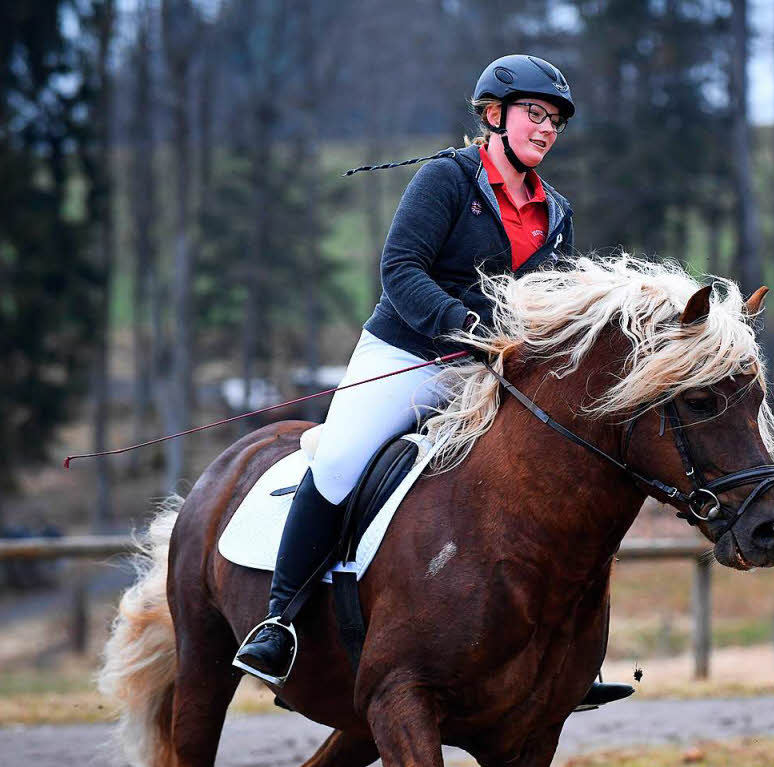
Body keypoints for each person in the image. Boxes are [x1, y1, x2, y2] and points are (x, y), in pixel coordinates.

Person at [234, 54, 633, 710]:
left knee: (560, 473)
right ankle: (278, 619)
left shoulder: (556, 212)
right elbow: (401, 269)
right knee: (337, 458)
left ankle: (568, 654)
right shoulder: (446, 178)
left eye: (555, 120)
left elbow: (553, 305)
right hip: (407, 354)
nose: (547, 128)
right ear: (494, 116)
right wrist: (468, 325)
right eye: (536, 114)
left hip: (489, 372)